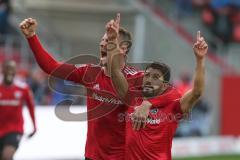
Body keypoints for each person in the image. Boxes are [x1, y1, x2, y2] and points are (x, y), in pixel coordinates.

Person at [19, 14, 143, 160]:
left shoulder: (136, 77)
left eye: (109, 40)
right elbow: (51, 67)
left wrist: (145, 106)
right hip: (92, 156)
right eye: (102, 40)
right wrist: (32, 37)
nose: (102, 44)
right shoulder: (90, 73)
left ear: (123, 48)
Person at [107, 30, 208, 159]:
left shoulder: (173, 106)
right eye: (147, 75)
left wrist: (200, 59)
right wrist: (112, 41)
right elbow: (115, 71)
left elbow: (197, 92)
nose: (149, 79)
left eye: (155, 77)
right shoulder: (131, 98)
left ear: (165, 85)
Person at [0, 60, 36, 160]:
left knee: (7, 156)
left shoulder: (23, 88)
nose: (9, 72)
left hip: (15, 129)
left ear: (15, 71)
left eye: (12, 69)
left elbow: (31, 107)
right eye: (7, 69)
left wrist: (34, 126)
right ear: (3, 70)